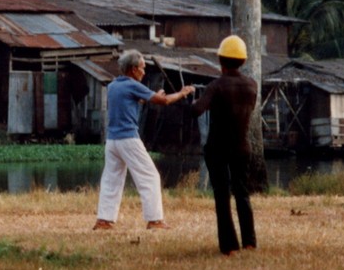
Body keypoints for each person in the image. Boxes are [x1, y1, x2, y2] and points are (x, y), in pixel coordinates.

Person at [93, 49, 194, 231]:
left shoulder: (114, 86)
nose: (144, 71)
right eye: (142, 68)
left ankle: (104, 220)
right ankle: (155, 220)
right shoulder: (133, 85)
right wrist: (181, 93)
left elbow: (131, 101)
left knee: (111, 179)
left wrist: (151, 96)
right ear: (132, 69)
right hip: (128, 139)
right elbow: (163, 102)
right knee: (150, 176)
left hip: (112, 141)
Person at [188, 35, 258, 255]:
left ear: (220, 60)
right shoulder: (252, 85)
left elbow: (197, 110)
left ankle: (229, 247)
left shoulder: (216, 86)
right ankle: (249, 242)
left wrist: (188, 101)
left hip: (218, 148)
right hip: (242, 147)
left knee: (222, 195)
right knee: (242, 194)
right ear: (243, 61)